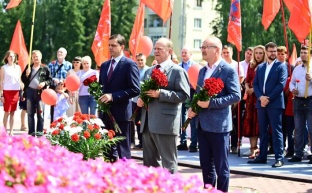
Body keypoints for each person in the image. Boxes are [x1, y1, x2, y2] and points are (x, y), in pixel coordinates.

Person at [187, 36, 240, 192]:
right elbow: (198, 93)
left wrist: (211, 103)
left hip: (219, 126)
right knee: (206, 165)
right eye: (202, 47)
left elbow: (235, 95)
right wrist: (193, 107)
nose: (202, 50)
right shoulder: (203, 70)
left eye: (206, 47)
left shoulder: (228, 70)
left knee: (221, 166)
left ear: (216, 49)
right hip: (202, 124)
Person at [137, 37, 190, 174]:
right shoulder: (150, 71)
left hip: (166, 123)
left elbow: (184, 95)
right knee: (149, 164)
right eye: (155, 49)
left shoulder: (177, 71)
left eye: (160, 49)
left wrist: (161, 94)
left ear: (170, 51)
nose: (156, 51)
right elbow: (145, 91)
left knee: (168, 162)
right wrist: (141, 99)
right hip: (147, 122)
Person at [99, 34, 140, 160]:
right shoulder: (105, 65)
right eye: (109, 45)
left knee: (123, 150)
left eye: (114, 45)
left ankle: (125, 175)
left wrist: (113, 96)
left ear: (122, 47)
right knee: (107, 148)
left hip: (121, 114)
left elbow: (135, 89)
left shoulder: (129, 64)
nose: (110, 48)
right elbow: (102, 87)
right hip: (106, 113)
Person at [248, 42, 287, 168]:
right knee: (262, 131)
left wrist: (268, 98)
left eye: (274, 51)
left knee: (276, 131)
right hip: (261, 104)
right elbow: (256, 85)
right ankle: (262, 156)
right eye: (270, 51)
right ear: (266, 52)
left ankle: (279, 158)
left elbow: (281, 85)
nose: (273, 53)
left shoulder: (281, 66)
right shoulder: (260, 67)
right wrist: (261, 97)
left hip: (274, 104)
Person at [288, 46, 312, 164]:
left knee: (311, 128)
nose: (303, 55)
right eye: (301, 52)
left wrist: (311, 79)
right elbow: (291, 83)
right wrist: (293, 89)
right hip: (298, 100)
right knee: (298, 128)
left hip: (311, 100)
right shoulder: (297, 69)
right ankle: (298, 153)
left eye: (305, 53)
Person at [21, 50, 53, 136]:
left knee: (40, 114)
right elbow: (23, 79)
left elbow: (50, 80)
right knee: (30, 114)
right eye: (34, 57)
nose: (35, 58)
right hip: (30, 92)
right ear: (32, 58)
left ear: (41, 57)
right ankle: (31, 134)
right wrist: (26, 75)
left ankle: (39, 134)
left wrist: (44, 83)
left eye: (37, 56)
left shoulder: (45, 68)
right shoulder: (28, 67)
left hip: (40, 93)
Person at [242, 45, 266, 159]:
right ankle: (252, 149)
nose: (258, 55)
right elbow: (247, 79)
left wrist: (254, 89)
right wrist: (246, 86)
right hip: (251, 100)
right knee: (251, 124)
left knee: (260, 124)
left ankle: (262, 149)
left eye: (261, 53)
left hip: (260, 98)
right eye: (256, 53)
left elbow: (265, 83)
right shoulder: (250, 65)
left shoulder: (266, 66)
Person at [222, 45, 245, 154]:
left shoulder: (237, 65)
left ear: (231, 53)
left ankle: (234, 145)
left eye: (228, 52)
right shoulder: (220, 64)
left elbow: (241, 78)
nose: (226, 54)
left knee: (234, 121)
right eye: (224, 52)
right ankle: (224, 145)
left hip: (233, 97)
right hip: (222, 96)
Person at [177, 47, 199, 152]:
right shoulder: (178, 66)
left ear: (191, 54)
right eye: (182, 53)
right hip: (181, 93)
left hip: (192, 92)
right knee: (182, 118)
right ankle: (183, 142)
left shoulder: (195, 66)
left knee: (193, 117)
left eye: (186, 52)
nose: (184, 54)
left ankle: (194, 143)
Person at [0, 51, 22, 135]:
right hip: (7, 91)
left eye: (13, 56)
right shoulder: (3, 68)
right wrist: (1, 94)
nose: (11, 58)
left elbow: (20, 80)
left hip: (15, 91)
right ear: (7, 58)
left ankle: (11, 131)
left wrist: (21, 91)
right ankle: (4, 131)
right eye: (10, 56)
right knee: (7, 112)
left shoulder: (18, 68)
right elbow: (1, 81)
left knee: (13, 112)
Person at [48, 47, 72, 122]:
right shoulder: (51, 64)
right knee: (53, 110)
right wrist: (53, 79)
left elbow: (71, 78)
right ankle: (52, 126)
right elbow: (48, 77)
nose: (59, 53)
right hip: (54, 91)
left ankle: (62, 126)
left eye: (61, 52)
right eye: (58, 52)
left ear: (65, 54)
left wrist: (64, 81)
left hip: (64, 91)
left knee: (63, 109)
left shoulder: (69, 65)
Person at [132, 53, 149, 149]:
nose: (140, 62)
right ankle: (141, 142)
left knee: (145, 122)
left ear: (145, 60)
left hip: (145, 101)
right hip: (135, 100)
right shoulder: (134, 70)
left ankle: (146, 142)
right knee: (137, 121)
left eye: (142, 60)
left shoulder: (148, 70)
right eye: (138, 60)